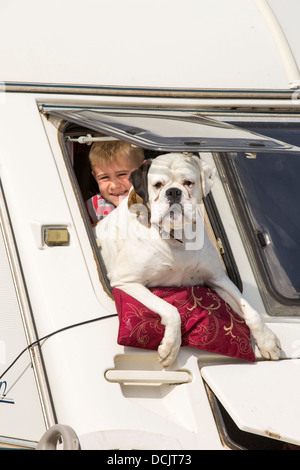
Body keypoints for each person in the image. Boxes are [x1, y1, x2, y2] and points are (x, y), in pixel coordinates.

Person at [85, 140, 145, 224]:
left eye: (121, 174)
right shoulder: (92, 207)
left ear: (144, 169)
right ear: (95, 178)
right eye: (104, 177)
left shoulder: (153, 200)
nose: (114, 186)